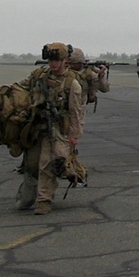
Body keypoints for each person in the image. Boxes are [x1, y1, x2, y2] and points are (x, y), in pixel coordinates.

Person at [15, 42, 84, 215]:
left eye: (57, 60)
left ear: (65, 60)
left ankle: (44, 200)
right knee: (32, 164)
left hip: (56, 129)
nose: (53, 63)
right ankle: (28, 195)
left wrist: (74, 136)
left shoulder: (72, 84)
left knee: (47, 163)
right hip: (35, 127)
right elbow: (22, 86)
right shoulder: (39, 75)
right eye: (51, 60)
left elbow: (76, 112)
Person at [67, 47, 110, 112]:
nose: (71, 65)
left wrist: (100, 77)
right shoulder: (64, 72)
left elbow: (105, 89)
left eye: (75, 63)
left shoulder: (88, 73)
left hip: (79, 108)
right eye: (70, 63)